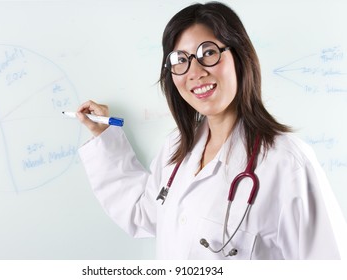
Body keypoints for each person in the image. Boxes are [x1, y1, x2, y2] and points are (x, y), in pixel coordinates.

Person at [76, 1, 346, 259]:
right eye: (180, 59)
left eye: (208, 53)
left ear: (239, 57)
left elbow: (328, 264)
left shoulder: (286, 163)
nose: (195, 72)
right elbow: (144, 214)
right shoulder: (176, 148)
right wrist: (104, 134)